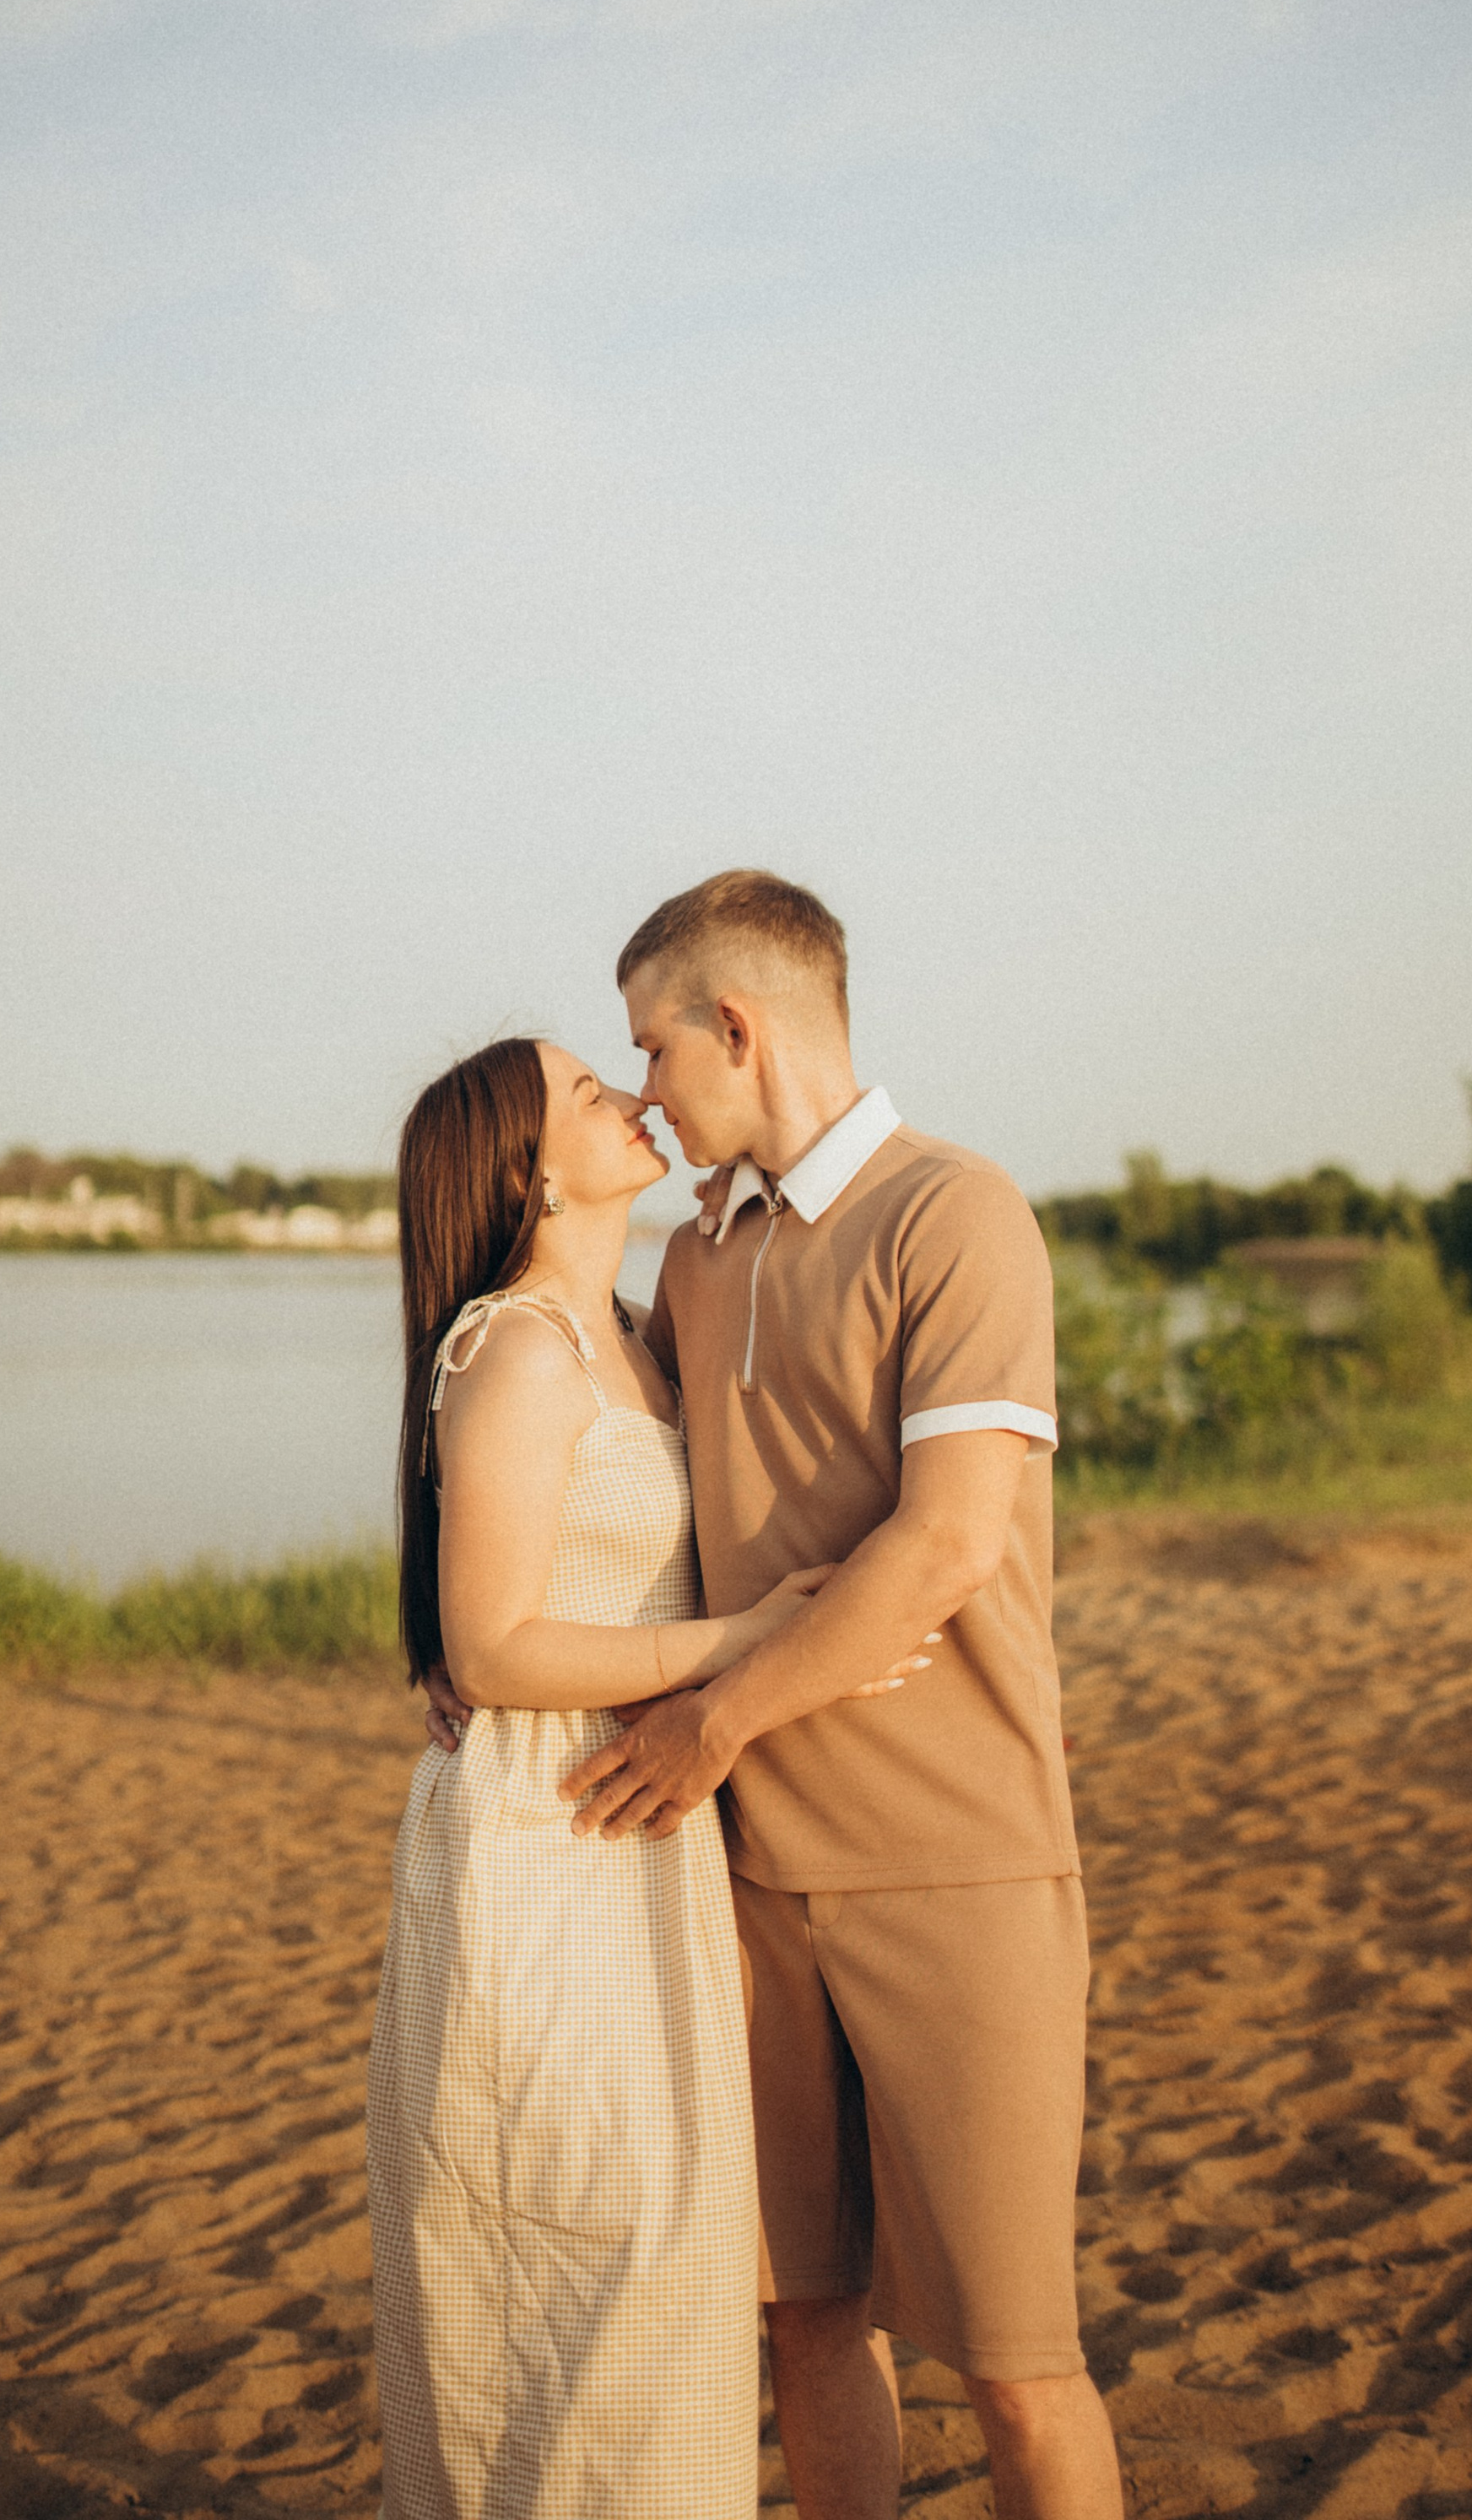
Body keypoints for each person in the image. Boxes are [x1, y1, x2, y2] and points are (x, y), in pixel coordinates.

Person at [433, 872, 1124, 2520]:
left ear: (731, 1026)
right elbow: (586, 1489)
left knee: (1017, 2362)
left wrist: (710, 1721)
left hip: (951, 1864)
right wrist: (466, 1656)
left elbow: (948, 1542)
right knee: (806, 2321)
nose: (646, 1091)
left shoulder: (954, 1214)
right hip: (732, 1886)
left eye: (649, 1051)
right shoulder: (690, 1267)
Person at [368, 1032, 928, 2520]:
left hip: (648, 1843)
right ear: (528, 1169)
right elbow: (490, 1652)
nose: (634, 1098)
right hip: (541, 1845)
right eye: (587, 1092)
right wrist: (738, 1639)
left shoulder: (634, 1325)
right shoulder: (508, 1347)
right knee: (568, 2247)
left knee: (669, 2263)